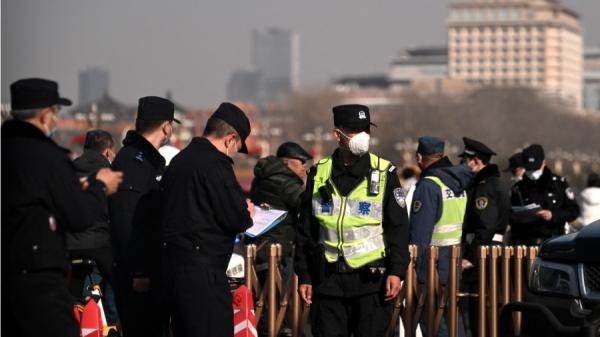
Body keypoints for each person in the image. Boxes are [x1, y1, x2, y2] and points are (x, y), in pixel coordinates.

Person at [1, 78, 123, 337]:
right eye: (56, 112)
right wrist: (100, 187)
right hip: (40, 274)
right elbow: (78, 214)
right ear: (46, 115)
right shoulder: (48, 157)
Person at [295, 104, 409, 337]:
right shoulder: (319, 174)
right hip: (327, 282)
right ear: (338, 135)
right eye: (355, 131)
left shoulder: (385, 172)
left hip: (371, 282)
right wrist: (304, 275)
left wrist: (397, 271)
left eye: (366, 130)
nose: (363, 137)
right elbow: (306, 230)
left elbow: (398, 227)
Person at [160, 102, 255, 337]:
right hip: (205, 271)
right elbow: (234, 218)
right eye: (236, 147)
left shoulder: (180, 161)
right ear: (230, 138)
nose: (233, 153)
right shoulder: (216, 165)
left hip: (174, 268)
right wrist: (247, 212)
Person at [109, 96, 179, 337]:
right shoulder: (136, 162)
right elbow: (129, 220)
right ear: (166, 126)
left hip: (147, 270)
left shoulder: (141, 158)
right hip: (139, 276)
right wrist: (139, 271)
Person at [409, 136, 472, 337]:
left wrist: (413, 267)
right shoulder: (457, 184)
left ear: (420, 157)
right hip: (453, 262)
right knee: (454, 318)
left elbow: (420, 235)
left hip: (431, 266)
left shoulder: (429, 185)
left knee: (434, 321)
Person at [67, 129, 120, 329]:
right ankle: (113, 324)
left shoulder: (68, 170)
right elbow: (117, 214)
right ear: (107, 152)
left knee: (72, 292)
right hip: (98, 245)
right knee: (120, 285)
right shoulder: (110, 175)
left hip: (68, 246)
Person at [458, 137, 509, 337]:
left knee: (479, 314)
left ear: (476, 161)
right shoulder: (487, 184)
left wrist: (471, 257)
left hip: (483, 256)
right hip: (486, 254)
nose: (463, 164)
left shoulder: (485, 187)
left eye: (465, 160)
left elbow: (484, 226)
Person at [248, 141, 312, 278]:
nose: (305, 165)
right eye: (301, 161)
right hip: (280, 251)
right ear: (286, 162)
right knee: (282, 297)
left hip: (258, 246)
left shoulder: (262, 177)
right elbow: (308, 206)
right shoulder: (286, 183)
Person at [510, 144, 579, 245]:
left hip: (554, 240)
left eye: (535, 169)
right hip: (527, 243)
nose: (532, 172)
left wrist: (553, 215)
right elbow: (511, 215)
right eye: (529, 169)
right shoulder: (518, 188)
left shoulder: (559, 184)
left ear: (543, 163)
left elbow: (573, 211)